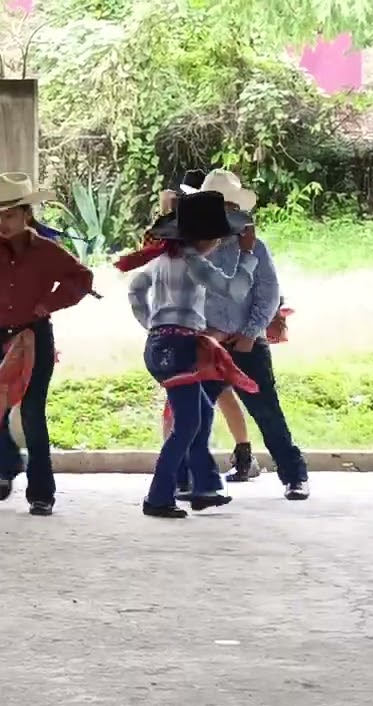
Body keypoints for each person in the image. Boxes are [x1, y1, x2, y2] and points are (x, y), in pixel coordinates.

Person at [0, 173, 95, 516]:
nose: (3, 222)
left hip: (35, 336)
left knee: (32, 412)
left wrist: (52, 302)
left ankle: (41, 493)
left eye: (10, 214)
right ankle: (5, 466)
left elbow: (82, 278)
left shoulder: (47, 250)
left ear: (27, 214)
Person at [120, 189, 261, 519]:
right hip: (180, 348)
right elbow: (233, 289)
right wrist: (248, 256)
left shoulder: (163, 259)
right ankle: (158, 496)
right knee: (187, 424)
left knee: (199, 411)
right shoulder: (194, 262)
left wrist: (152, 323)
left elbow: (135, 289)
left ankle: (204, 487)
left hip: (161, 344)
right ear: (208, 239)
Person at [186, 170, 309, 500]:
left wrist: (250, 333)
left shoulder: (255, 248)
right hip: (208, 343)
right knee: (194, 414)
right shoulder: (192, 249)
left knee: (267, 411)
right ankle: (192, 479)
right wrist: (201, 331)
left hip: (247, 344)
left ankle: (294, 475)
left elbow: (268, 295)